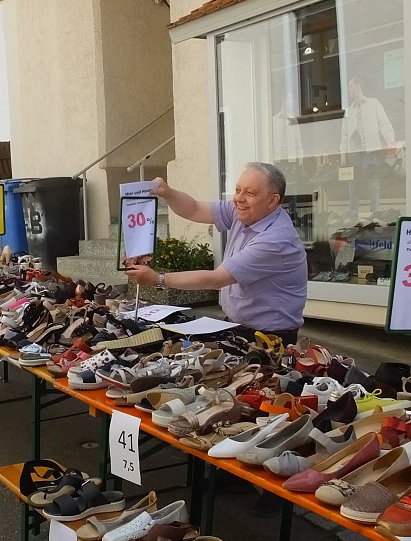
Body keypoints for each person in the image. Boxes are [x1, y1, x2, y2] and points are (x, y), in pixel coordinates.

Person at [125, 162, 307, 345]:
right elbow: (194, 209)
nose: (239, 198)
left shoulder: (276, 240)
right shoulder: (244, 211)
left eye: (249, 193)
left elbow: (215, 279)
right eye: (238, 190)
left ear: (273, 200)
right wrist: (167, 192)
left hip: (270, 337)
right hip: (239, 326)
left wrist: (158, 279)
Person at [340, 77, 396, 216]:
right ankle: (353, 214)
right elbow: (345, 135)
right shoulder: (349, 111)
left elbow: (383, 123)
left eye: (351, 85)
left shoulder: (373, 104)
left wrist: (391, 141)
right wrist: (343, 154)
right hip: (354, 153)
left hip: (370, 150)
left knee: (373, 181)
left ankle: (375, 213)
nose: (349, 89)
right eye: (348, 86)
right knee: (353, 184)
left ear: (358, 85)